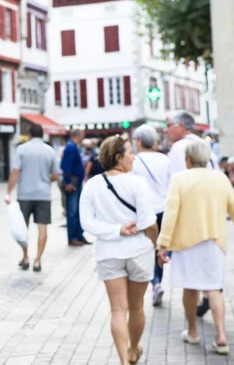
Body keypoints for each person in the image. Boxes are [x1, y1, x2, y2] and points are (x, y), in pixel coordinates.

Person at [157, 140, 234, 356]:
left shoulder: (179, 180)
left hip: (186, 244)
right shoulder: (221, 179)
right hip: (213, 243)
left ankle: (192, 332)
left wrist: (163, 243)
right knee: (214, 288)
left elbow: (170, 213)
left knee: (190, 288)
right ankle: (221, 337)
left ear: (188, 160)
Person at [80, 135, 158, 365]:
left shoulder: (92, 185)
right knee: (136, 307)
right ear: (118, 157)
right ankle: (133, 348)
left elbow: (87, 223)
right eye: (130, 153)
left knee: (117, 310)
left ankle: (124, 360)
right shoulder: (137, 183)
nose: (134, 157)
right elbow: (148, 223)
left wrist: (116, 230)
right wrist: (157, 245)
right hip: (139, 251)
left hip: (108, 252)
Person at [164, 112, 219, 316]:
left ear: (181, 126)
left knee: (191, 270)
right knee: (209, 267)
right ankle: (208, 303)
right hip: (212, 214)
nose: (166, 129)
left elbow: (177, 187)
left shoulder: (180, 148)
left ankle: (196, 310)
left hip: (190, 217)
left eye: (169, 125)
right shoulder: (203, 145)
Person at [5, 124, 60, 272]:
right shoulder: (50, 151)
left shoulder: (22, 149)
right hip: (43, 195)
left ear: (29, 134)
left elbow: (15, 172)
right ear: (42, 135)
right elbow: (56, 174)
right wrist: (46, 178)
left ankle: (25, 257)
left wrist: (8, 192)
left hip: (25, 194)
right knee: (42, 228)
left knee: (23, 228)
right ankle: (38, 260)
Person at [132, 124, 171, 307]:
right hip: (164, 209)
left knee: (148, 248)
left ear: (139, 141)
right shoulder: (165, 159)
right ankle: (158, 282)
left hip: (145, 211)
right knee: (160, 247)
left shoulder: (134, 161)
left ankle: (154, 282)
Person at [60, 128, 89, 246]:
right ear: (78, 134)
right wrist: (68, 183)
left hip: (76, 182)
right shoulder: (71, 147)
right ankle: (73, 237)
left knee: (77, 210)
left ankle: (78, 235)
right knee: (72, 211)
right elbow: (65, 166)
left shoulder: (73, 146)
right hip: (72, 183)